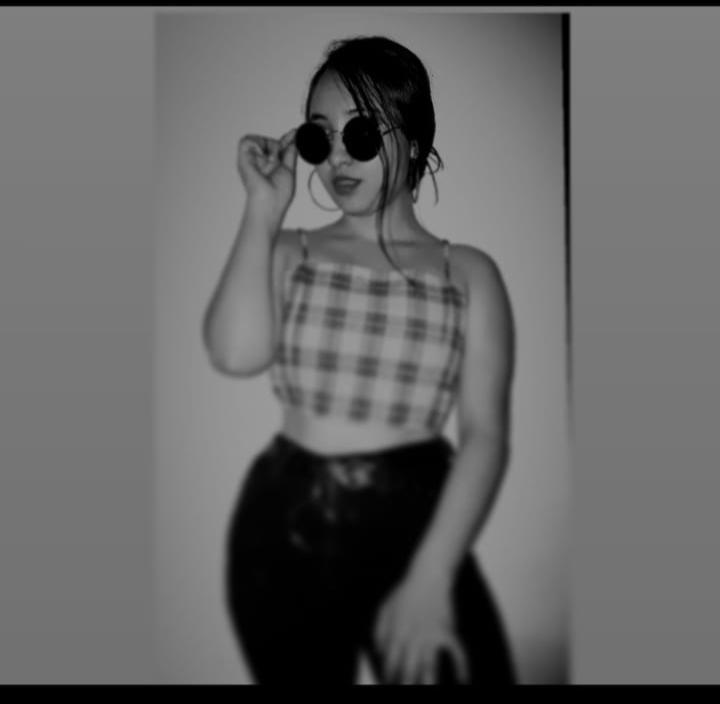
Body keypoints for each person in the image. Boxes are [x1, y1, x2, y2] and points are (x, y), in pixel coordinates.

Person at [202, 35, 517, 685]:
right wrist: (262, 210)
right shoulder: (290, 251)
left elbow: (485, 436)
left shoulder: (468, 273)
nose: (339, 155)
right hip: (285, 524)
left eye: (362, 132)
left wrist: (432, 575)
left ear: (414, 142)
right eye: (319, 137)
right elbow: (234, 354)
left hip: (417, 516)